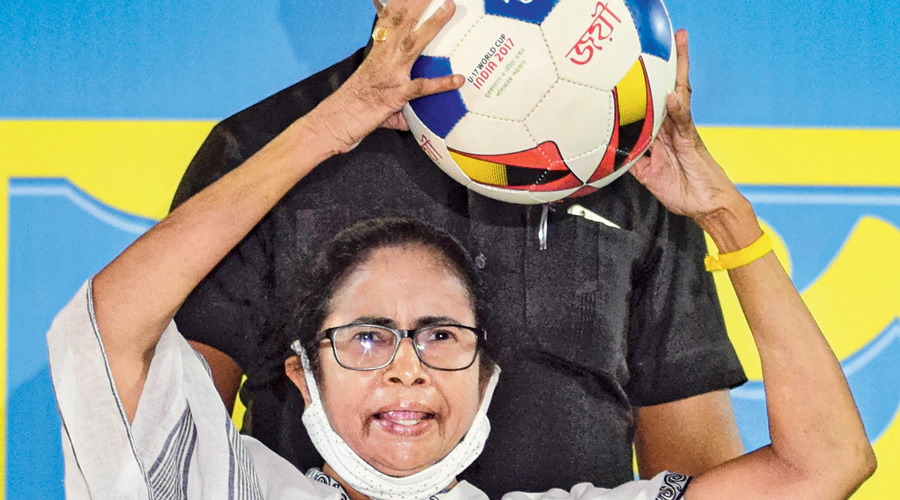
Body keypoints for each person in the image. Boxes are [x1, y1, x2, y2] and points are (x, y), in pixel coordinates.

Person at [47, 2, 876, 494]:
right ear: (302, 369)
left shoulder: (623, 167)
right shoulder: (263, 153)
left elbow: (798, 467)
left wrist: (730, 218)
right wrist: (329, 127)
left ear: (488, 371)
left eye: (443, 339)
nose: (406, 370)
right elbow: (124, 364)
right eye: (365, 337)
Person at [169, 2, 746, 495]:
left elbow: (697, 461)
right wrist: (326, 131)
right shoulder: (263, 152)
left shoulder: (619, 156)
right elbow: (171, 446)